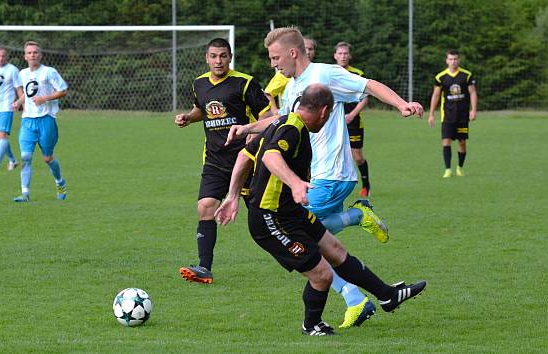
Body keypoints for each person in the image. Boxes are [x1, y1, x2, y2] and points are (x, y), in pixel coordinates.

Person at [226, 26, 424, 329]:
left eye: (276, 57)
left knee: (311, 248)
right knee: (329, 247)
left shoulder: (324, 74)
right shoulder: (292, 88)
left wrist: (401, 104)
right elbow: (281, 123)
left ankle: (351, 290)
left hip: (328, 174)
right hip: (308, 178)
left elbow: (368, 85)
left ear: (293, 52)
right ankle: (380, 296)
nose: (273, 64)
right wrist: (247, 129)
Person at [174, 38, 272, 284]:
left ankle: (300, 251)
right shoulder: (199, 84)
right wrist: (188, 117)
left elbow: (268, 116)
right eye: (214, 56)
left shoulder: (244, 83)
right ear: (206, 58)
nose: (218, 61)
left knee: (261, 220)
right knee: (205, 206)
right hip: (214, 161)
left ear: (230, 57)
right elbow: (202, 109)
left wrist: (252, 137)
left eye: (223, 56)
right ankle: (204, 268)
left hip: (246, 161)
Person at [12, 41, 68, 202]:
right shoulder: (22, 74)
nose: (32, 55)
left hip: (46, 120)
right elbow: (28, 93)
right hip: (28, 120)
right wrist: (18, 102)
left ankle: (60, 182)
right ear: (25, 56)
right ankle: (25, 193)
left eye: (35, 52)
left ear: (40, 55)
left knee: (47, 158)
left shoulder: (49, 72)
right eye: (29, 53)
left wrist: (45, 98)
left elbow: (63, 90)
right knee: (25, 156)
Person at [428, 49, 477, 178]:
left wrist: (473, 110)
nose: (453, 61)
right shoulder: (441, 77)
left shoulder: (466, 75)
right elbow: (436, 95)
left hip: (462, 116)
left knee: (462, 142)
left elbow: (472, 93)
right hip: (447, 116)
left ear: (458, 60)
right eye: (450, 59)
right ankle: (448, 170)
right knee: (446, 141)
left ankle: (460, 167)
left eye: (455, 59)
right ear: (446, 60)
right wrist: (431, 114)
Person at [334, 42, 371, 197]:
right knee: (335, 154)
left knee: (357, 156)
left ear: (350, 56)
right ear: (335, 56)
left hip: (353, 121)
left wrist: (352, 114)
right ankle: (337, 185)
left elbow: (365, 98)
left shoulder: (357, 74)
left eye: (345, 53)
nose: (342, 56)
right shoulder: (330, 72)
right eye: (340, 53)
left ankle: (366, 184)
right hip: (334, 121)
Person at [264, 37, 316, 114]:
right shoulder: (283, 74)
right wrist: (274, 110)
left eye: (310, 49)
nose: (307, 52)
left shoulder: (318, 71)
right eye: (305, 49)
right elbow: (268, 93)